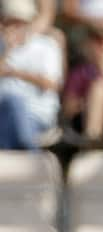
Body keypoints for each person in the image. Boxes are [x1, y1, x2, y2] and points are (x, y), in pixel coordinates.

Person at [0, 0, 63, 150]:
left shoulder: (46, 45)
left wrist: (15, 72)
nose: (14, 28)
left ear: (29, 23)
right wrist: (7, 50)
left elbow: (51, 84)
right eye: (10, 23)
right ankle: (31, 157)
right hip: (3, 113)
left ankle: (29, 154)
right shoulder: (2, 47)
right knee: (10, 106)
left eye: (19, 23)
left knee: (14, 104)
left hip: (36, 114)